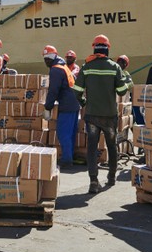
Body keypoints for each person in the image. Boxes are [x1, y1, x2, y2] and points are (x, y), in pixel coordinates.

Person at [73, 35, 130, 194]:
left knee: (92, 147)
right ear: (107, 49)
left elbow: (77, 92)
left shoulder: (86, 66)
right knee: (112, 146)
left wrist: (85, 103)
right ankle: (111, 177)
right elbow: (122, 91)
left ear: (94, 48)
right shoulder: (114, 67)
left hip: (92, 115)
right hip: (109, 116)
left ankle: (93, 181)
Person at [41, 45, 80, 168]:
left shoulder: (56, 69)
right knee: (71, 133)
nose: (46, 62)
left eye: (47, 59)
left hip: (67, 106)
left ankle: (66, 160)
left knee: (63, 133)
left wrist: (48, 107)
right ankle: (69, 156)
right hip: (74, 104)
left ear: (51, 58)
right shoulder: (64, 66)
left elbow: (53, 90)